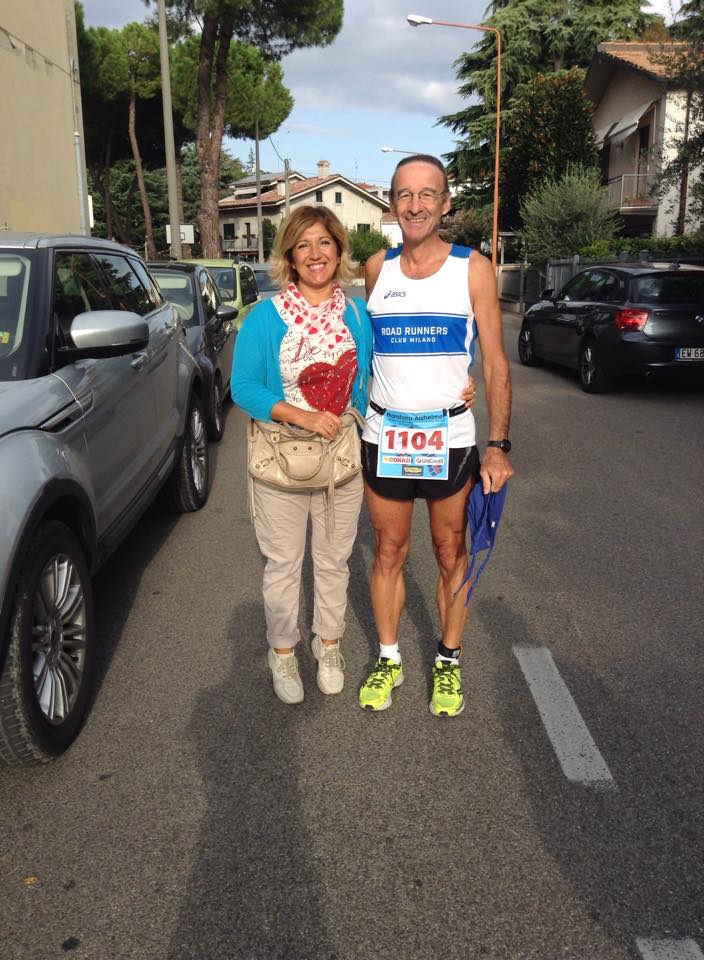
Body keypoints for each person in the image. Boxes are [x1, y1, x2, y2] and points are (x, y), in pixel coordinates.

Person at [358, 154, 514, 718]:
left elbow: (494, 363)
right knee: (388, 551)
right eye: (405, 194)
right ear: (392, 203)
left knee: (451, 551)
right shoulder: (377, 269)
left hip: (449, 440)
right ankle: (389, 656)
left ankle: (447, 661)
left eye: (428, 194)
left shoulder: (473, 268)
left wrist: (497, 444)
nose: (416, 204)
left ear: (446, 204)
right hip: (386, 437)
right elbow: (365, 353)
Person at [231, 206, 373, 704]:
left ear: (338, 250)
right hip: (281, 461)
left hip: (341, 462)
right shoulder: (265, 317)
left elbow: (370, 378)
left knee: (334, 563)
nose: (315, 254)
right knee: (283, 566)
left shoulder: (356, 314)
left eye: (325, 243)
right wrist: (301, 414)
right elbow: (242, 386)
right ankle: (284, 652)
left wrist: (454, 385)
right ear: (289, 255)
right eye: (304, 245)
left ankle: (328, 645)